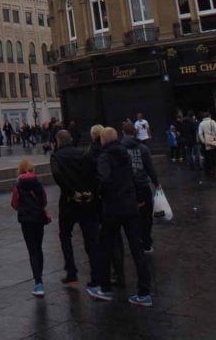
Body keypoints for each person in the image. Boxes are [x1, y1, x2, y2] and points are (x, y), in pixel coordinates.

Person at [88, 127, 151, 307]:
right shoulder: (125, 153)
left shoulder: (105, 157)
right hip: (130, 205)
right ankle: (144, 292)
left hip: (113, 208)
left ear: (102, 140)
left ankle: (105, 288)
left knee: (105, 246)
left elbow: (104, 180)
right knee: (137, 249)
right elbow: (133, 176)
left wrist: (98, 192)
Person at [50, 129, 99, 287]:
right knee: (90, 238)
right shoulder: (84, 153)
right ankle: (95, 275)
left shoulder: (57, 156)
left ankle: (71, 272)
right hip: (87, 200)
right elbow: (96, 172)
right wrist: (91, 191)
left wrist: (71, 192)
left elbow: (57, 174)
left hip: (69, 201)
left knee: (65, 236)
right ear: (71, 138)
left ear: (58, 140)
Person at [11, 157, 49, 297]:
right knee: (38, 248)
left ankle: (38, 283)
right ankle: (40, 278)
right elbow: (44, 201)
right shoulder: (38, 183)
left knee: (32, 249)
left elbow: (14, 204)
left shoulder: (18, 185)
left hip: (26, 220)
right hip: (39, 218)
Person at [121, 120, 159, 253]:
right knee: (146, 217)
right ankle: (146, 242)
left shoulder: (120, 149)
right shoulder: (143, 148)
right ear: (135, 131)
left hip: (128, 188)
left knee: (131, 218)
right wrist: (156, 183)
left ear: (123, 132)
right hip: (143, 185)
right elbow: (150, 167)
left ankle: (135, 242)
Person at [198, 110, 216, 176]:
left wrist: (203, 141)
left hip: (208, 142)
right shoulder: (213, 121)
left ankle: (212, 170)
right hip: (214, 141)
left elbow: (200, 134)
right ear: (209, 116)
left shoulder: (201, 123)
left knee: (210, 157)